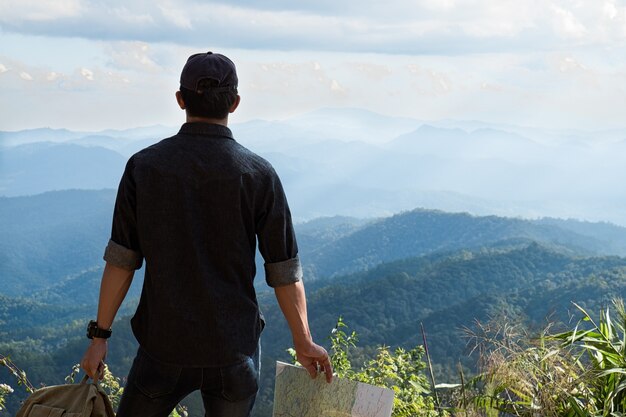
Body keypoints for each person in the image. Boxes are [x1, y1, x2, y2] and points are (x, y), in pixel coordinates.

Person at [81, 51, 332, 417]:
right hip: (233, 350)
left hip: (162, 347)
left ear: (180, 99)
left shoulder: (144, 167)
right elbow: (284, 270)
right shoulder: (259, 174)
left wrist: (99, 338)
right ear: (235, 102)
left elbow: (122, 260)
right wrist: (303, 340)